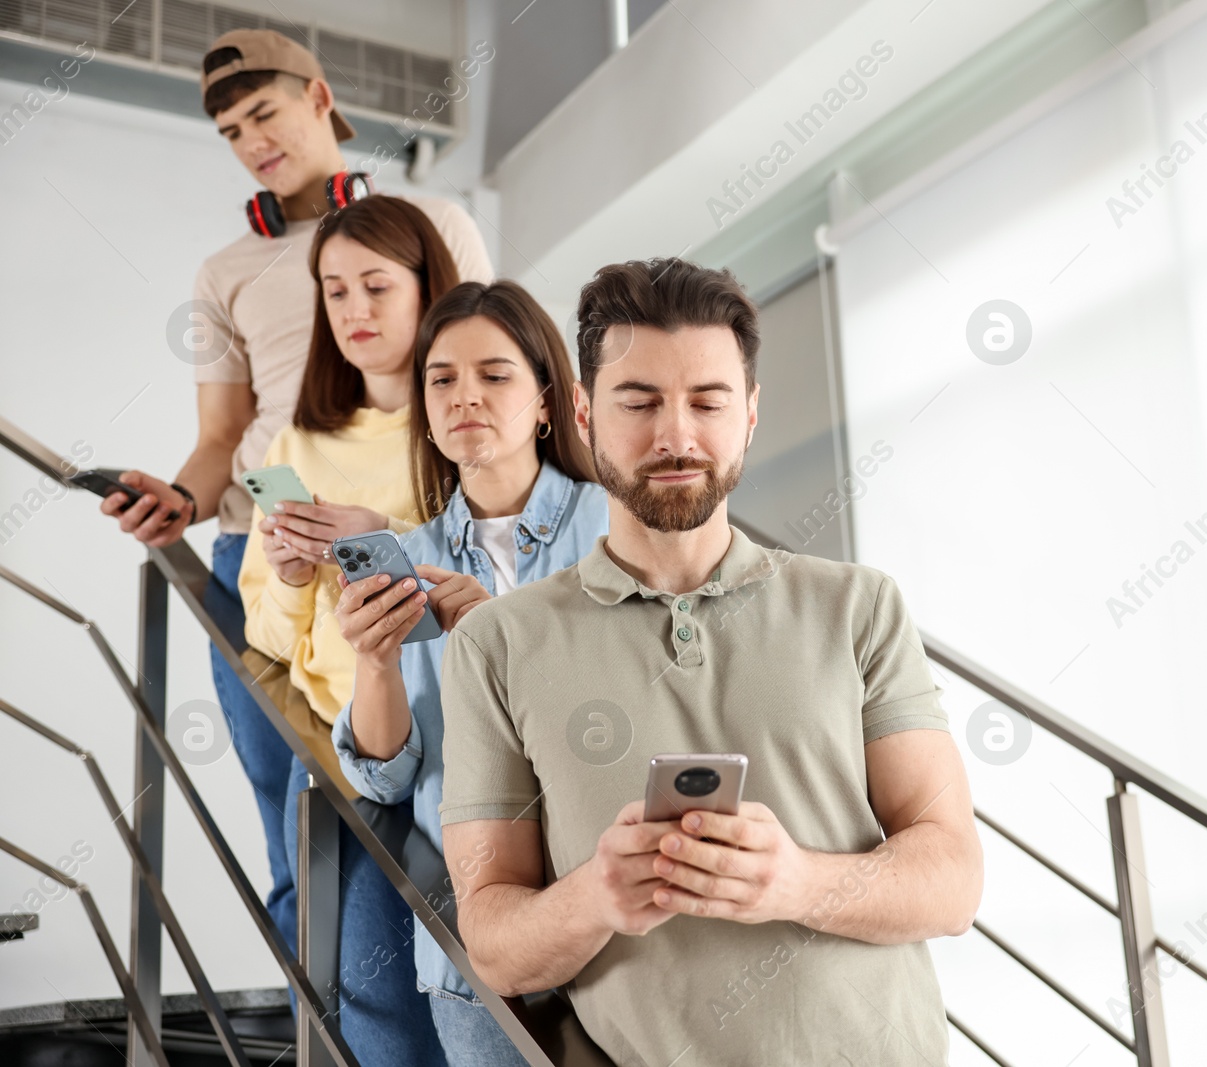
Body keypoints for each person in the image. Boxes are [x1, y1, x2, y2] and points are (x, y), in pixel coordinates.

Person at [437, 258, 985, 1065]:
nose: (676, 436)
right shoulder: (498, 643)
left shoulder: (860, 606)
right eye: (640, 401)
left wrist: (796, 882)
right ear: (584, 412)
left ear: (751, 412)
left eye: (707, 401)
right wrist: (596, 896)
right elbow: (491, 940)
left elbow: (952, 878)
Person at [95, 27, 492, 955]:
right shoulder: (224, 272)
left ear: (320, 98)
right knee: (294, 824)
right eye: (231, 131)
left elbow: (492, 372)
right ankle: (318, 1033)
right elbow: (221, 441)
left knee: (428, 813)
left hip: (402, 538)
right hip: (262, 557)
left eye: (263, 113)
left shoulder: (436, 223)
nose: (251, 142)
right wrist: (181, 503)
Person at [329, 280, 607, 1065]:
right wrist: (375, 662)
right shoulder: (409, 553)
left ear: (548, 401)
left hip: (617, 916)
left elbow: (648, 703)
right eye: (442, 379)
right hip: (472, 938)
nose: (464, 398)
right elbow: (387, 782)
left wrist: (501, 635)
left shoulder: (615, 524)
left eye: (494, 375)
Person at [237, 194, 476, 1067]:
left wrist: (382, 534)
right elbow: (265, 638)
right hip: (350, 752)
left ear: (427, 289)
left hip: (458, 744)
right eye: (335, 291)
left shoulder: (462, 415)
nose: (355, 311)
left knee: (472, 983)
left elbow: (505, 578)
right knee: (371, 995)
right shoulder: (297, 441)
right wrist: (298, 578)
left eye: (376, 285)